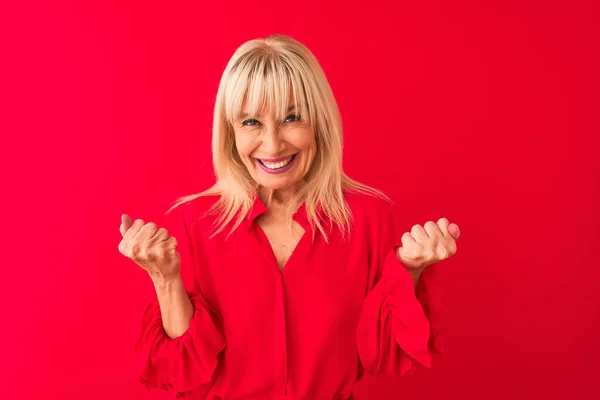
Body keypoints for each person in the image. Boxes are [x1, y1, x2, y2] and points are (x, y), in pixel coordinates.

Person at [118, 34, 460, 400]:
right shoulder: (194, 223)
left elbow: (387, 353)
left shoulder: (367, 219)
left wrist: (409, 270)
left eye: (292, 118)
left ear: (320, 123)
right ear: (230, 132)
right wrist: (165, 277)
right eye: (251, 122)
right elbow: (180, 372)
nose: (273, 144)